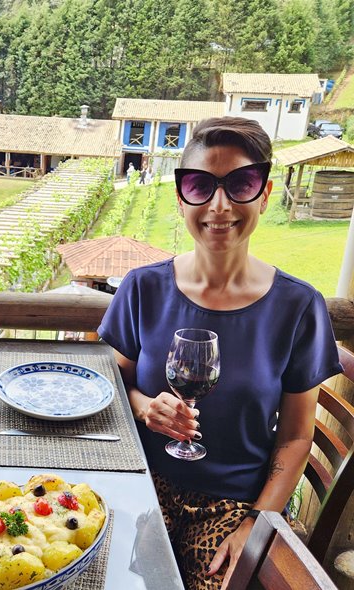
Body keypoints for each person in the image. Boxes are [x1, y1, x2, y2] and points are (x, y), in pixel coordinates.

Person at [98, 117, 341, 590]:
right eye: (200, 185)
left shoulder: (298, 306)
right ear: (180, 195)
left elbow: (294, 437)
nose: (220, 205)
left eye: (241, 184)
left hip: (234, 503)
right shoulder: (143, 288)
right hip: (141, 484)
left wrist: (256, 525)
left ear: (265, 194)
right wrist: (146, 406)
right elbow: (112, 381)